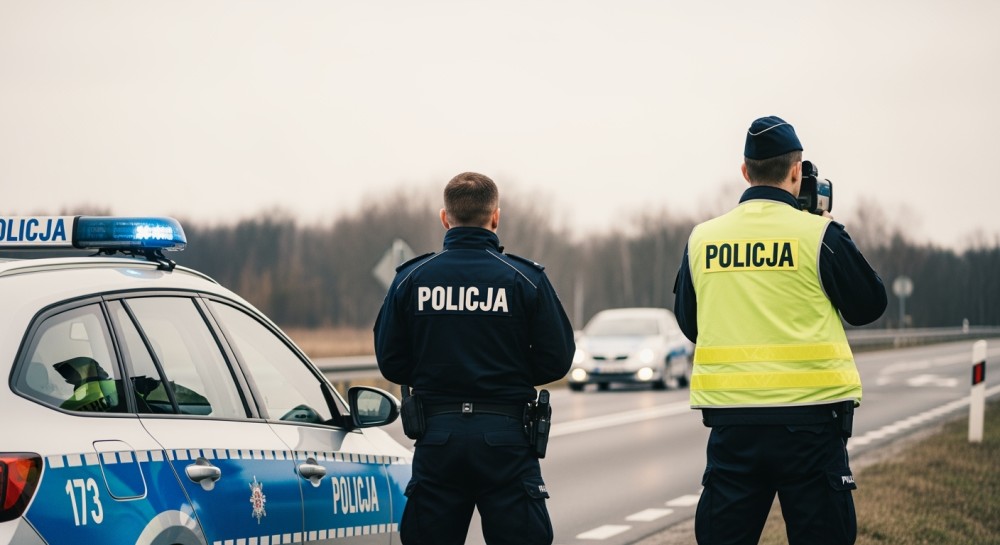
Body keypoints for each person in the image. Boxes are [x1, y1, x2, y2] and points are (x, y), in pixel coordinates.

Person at [673, 116, 887, 545]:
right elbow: (869, 305)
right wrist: (824, 223)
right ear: (797, 170)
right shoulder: (819, 235)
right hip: (810, 427)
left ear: (745, 172)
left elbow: (690, 323)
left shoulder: (703, 239)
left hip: (733, 429)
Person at [374, 171, 575, 545]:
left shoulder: (411, 278)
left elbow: (390, 361)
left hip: (437, 438)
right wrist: (511, 372)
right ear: (495, 217)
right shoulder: (525, 279)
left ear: (445, 218)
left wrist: (434, 372)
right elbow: (558, 359)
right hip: (507, 439)